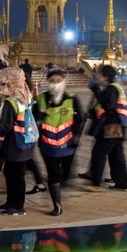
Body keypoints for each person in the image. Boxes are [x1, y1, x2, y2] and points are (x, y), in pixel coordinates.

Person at [34, 68, 84, 216]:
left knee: (66, 171)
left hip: (68, 144)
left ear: (63, 82)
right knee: (53, 174)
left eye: (58, 80)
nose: (55, 84)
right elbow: (34, 118)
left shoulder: (72, 99)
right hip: (47, 145)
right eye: (52, 81)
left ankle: (62, 182)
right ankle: (57, 205)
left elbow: (80, 119)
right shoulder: (40, 99)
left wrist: (76, 136)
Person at [0, 67, 37, 215]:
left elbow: (6, 126)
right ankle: (11, 201)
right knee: (11, 172)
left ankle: (18, 206)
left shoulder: (11, 102)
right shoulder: (26, 97)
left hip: (15, 143)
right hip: (25, 141)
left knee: (16, 175)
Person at [84, 65, 127, 191]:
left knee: (98, 153)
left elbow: (108, 105)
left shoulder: (112, 88)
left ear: (105, 77)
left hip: (112, 126)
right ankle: (122, 184)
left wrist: (96, 90)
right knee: (116, 155)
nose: (97, 76)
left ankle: (95, 183)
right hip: (119, 125)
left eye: (99, 74)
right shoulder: (113, 88)